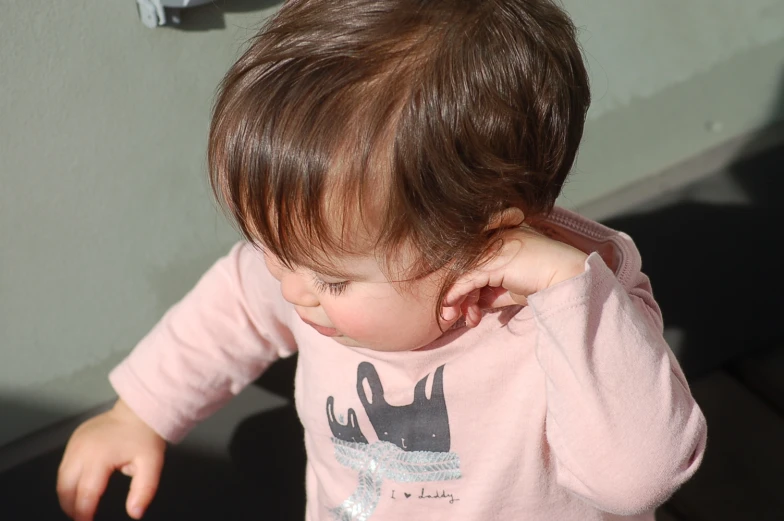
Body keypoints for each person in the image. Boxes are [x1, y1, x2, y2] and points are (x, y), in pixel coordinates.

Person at [55, 0, 707, 519]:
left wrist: (570, 290)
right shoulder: (307, 266)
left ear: (483, 242)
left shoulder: (579, 318)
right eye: (273, 250)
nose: (290, 287)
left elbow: (636, 480)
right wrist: (136, 413)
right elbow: (233, 303)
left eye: (331, 278)